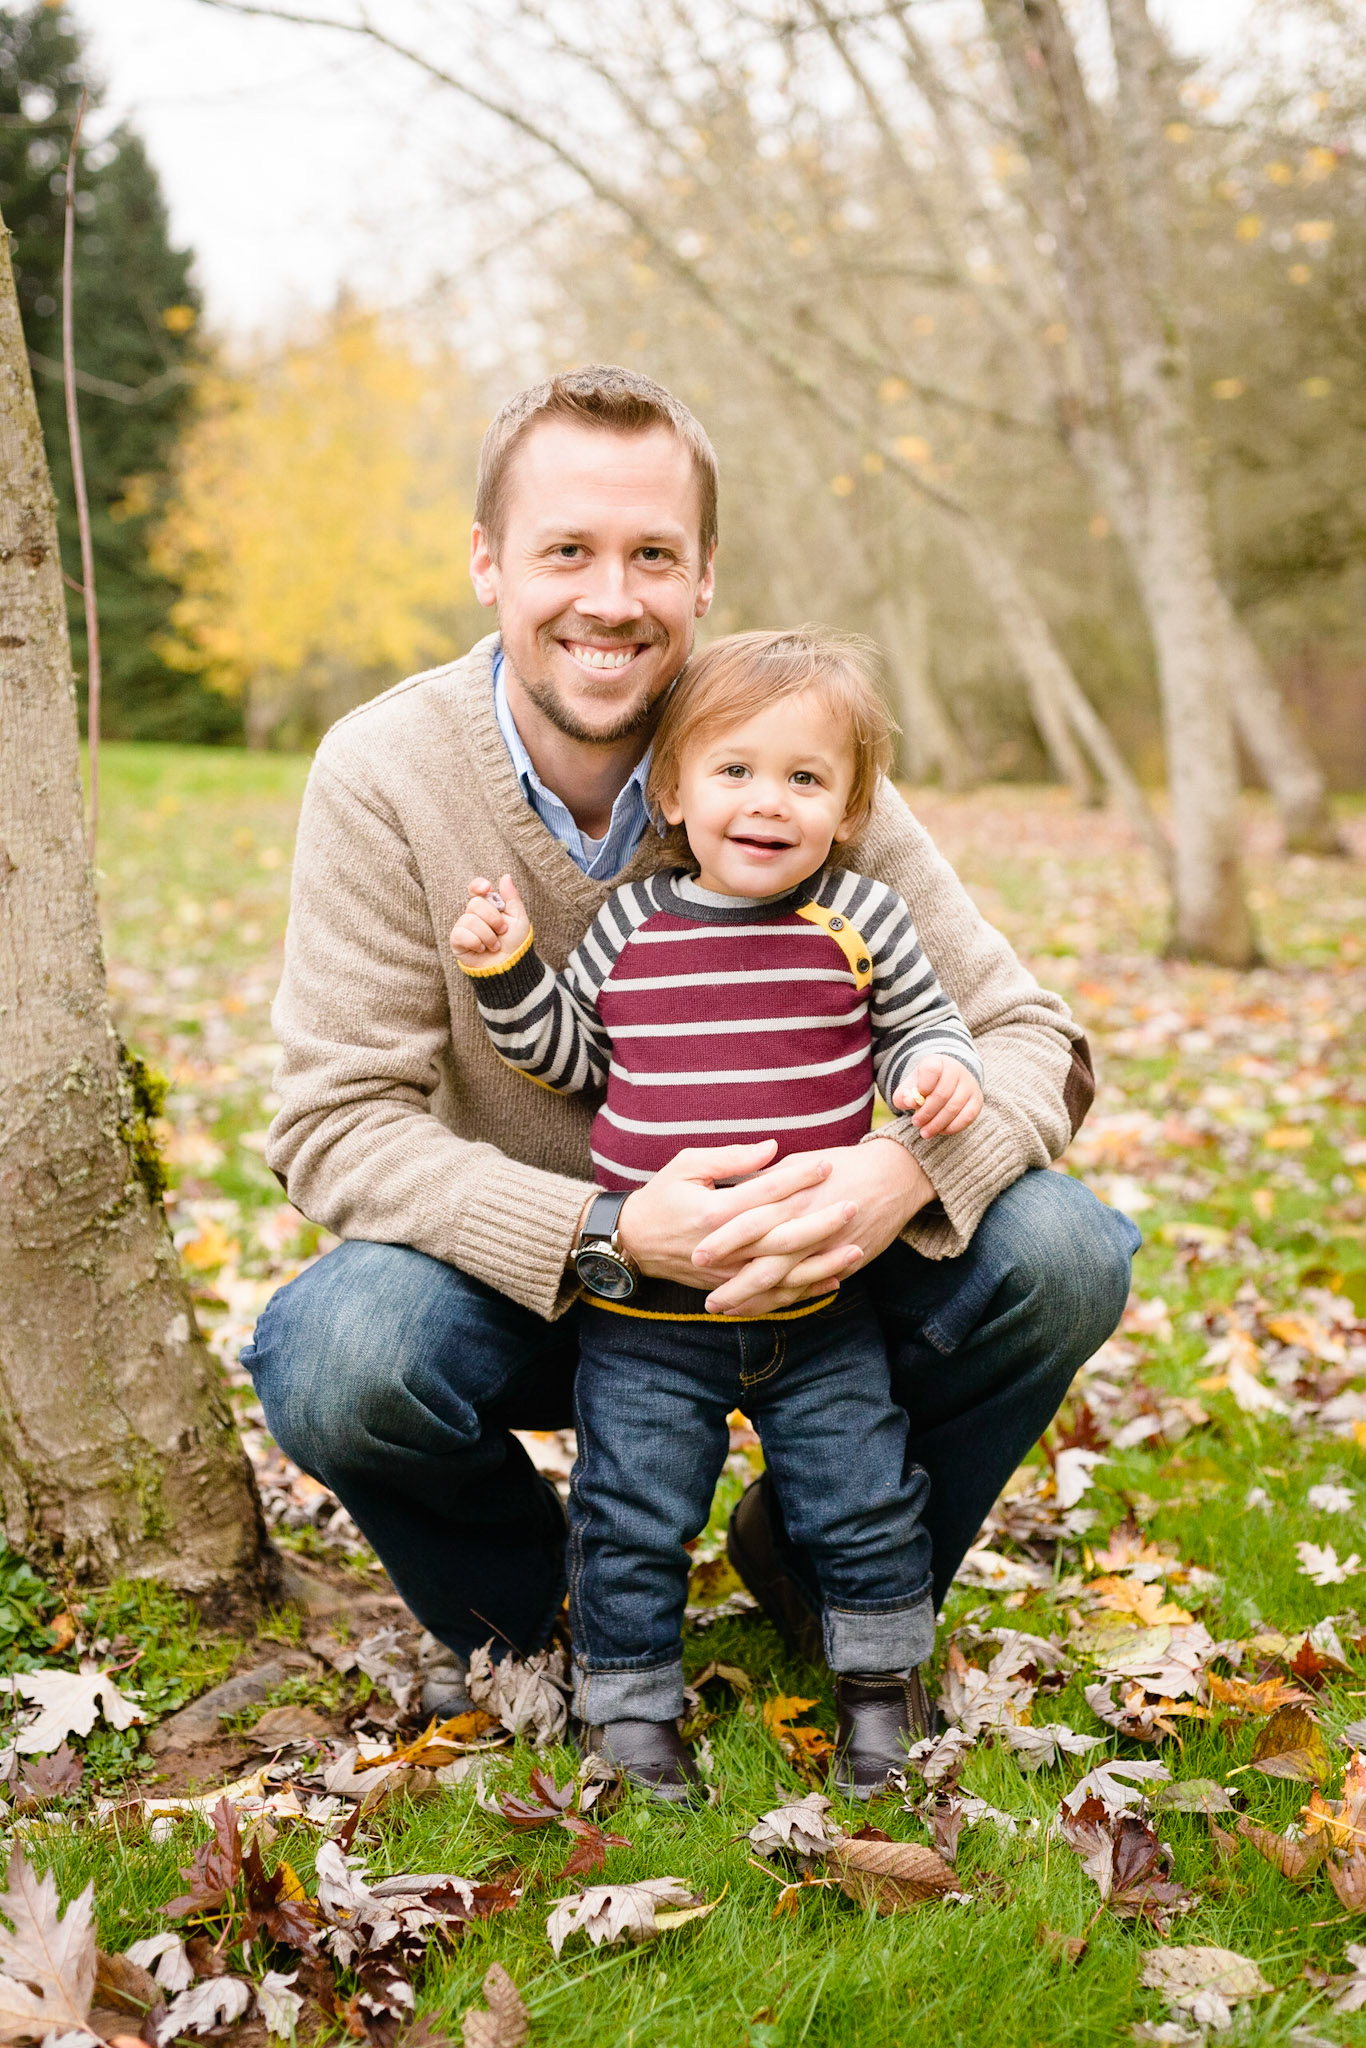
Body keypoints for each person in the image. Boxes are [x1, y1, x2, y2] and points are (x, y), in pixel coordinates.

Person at [242, 364, 1139, 1773]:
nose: (610, 598)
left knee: (1065, 1253)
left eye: (651, 555)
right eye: (566, 550)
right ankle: (543, 1617)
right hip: (544, 1284)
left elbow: (1036, 1041)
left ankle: (823, 1564)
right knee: (336, 1354)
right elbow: (334, 1122)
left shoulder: (785, 752)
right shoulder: (383, 770)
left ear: (703, 574)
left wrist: (896, 1171)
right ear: (487, 562)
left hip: (819, 1275)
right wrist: (604, 1229)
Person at [450, 626, 984, 1798]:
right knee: (630, 1508)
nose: (768, 800)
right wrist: (508, 969)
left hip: (819, 1299)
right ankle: (630, 1708)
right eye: (734, 770)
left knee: (861, 1493)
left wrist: (937, 1071)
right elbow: (572, 1057)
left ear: (849, 808)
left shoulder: (858, 916)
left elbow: (923, 1022)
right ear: (674, 792)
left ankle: (880, 1691)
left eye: (805, 777)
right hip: (648, 1311)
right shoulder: (633, 925)